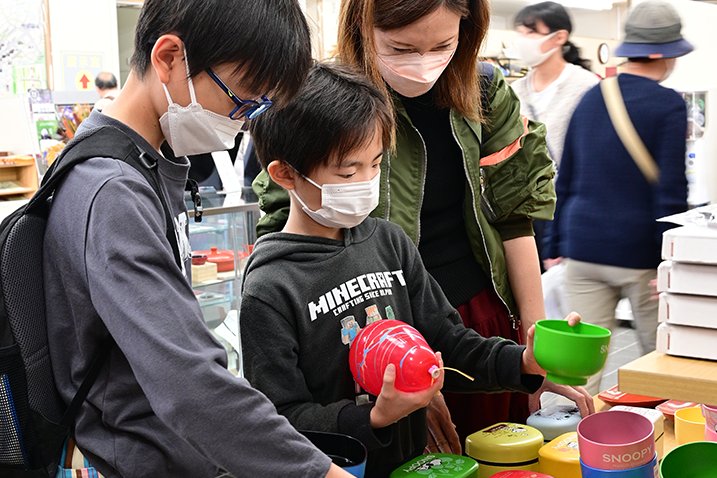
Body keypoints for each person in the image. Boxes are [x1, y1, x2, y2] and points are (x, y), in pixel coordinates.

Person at [252, 0, 593, 449]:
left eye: (443, 45)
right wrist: (395, 394)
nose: (423, 63)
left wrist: (534, 357)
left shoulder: (484, 92)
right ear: (363, 26)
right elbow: (283, 410)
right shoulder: (320, 107)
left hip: (460, 317)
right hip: (366, 340)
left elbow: (514, 221)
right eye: (402, 47)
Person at [43, 1, 355, 477]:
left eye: (258, 108)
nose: (243, 120)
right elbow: (190, 386)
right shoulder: (113, 192)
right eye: (242, 98)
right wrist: (318, 472)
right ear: (168, 57)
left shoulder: (142, 166)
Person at [544, 0, 691, 395]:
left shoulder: (592, 97)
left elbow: (566, 175)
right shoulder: (669, 105)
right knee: (661, 357)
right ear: (664, 54)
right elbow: (670, 191)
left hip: (583, 248)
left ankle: (573, 446)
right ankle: (664, 442)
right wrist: (674, 261)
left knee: (582, 371)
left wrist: (554, 243)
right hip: (639, 255)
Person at [510, 2, 600, 269]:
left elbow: (593, 160)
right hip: (526, 211)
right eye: (520, 33)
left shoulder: (587, 87)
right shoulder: (514, 91)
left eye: (531, 32)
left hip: (569, 207)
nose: (523, 41)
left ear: (559, 37)